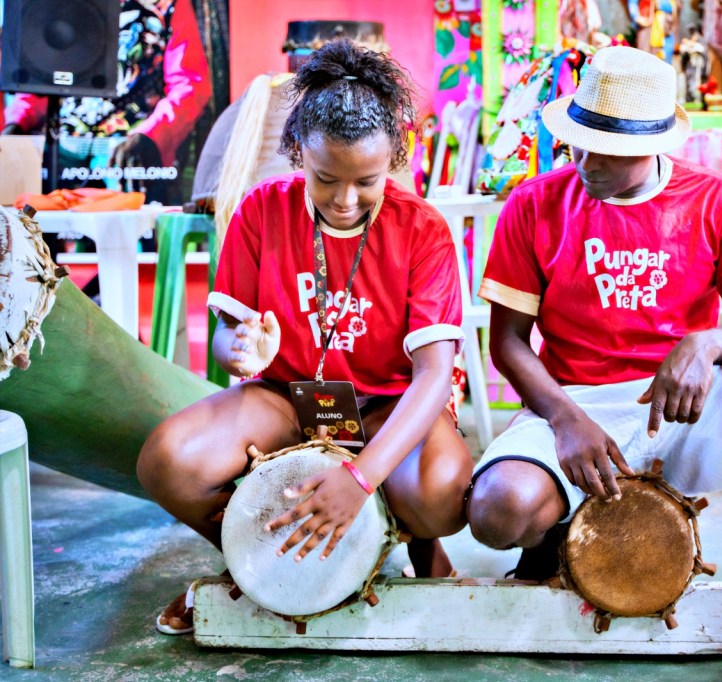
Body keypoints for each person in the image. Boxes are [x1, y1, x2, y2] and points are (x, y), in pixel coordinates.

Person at [466, 46, 722, 681]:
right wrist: (563, 417)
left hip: (680, 410)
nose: (583, 161)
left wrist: (706, 343)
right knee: (497, 512)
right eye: (575, 143)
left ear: (652, 144)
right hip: (574, 403)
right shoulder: (534, 205)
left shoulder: (717, 201)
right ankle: (549, 535)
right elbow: (506, 341)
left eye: (603, 150)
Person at [136, 39, 473, 635]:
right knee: (168, 463)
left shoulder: (423, 229)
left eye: (366, 181)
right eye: (325, 179)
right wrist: (239, 349)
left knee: (441, 493)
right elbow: (226, 337)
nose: (345, 201)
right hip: (287, 398)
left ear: (393, 157)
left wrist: (360, 477)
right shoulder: (262, 210)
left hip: (386, 401)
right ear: (298, 153)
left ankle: (419, 546)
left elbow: (433, 374)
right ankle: (260, 562)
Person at [2, 0, 212, 203]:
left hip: (127, 143)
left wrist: (151, 135)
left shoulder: (165, 5)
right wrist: (17, 122)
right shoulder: (55, 4)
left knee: (126, 222)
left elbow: (189, 84)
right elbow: (38, 75)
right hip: (62, 143)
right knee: (33, 216)